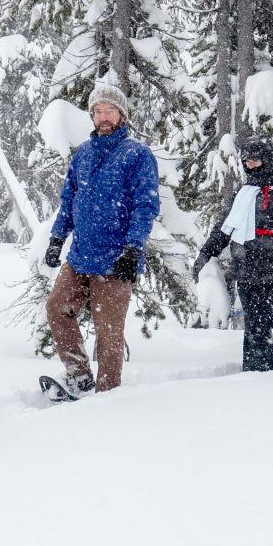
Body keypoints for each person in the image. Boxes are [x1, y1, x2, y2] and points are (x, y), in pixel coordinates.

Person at [42, 83, 160, 398]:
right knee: (56, 308)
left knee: (108, 334)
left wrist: (133, 247)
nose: (103, 116)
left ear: (121, 114)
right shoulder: (83, 154)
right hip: (81, 255)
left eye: (109, 110)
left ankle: (107, 398)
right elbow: (69, 200)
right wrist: (57, 237)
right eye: (98, 111)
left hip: (116, 258)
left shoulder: (137, 155)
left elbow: (145, 206)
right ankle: (80, 378)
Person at [191, 136, 273, 372]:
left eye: (255, 160)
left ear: (267, 160)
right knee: (254, 325)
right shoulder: (243, 192)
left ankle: (262, 374)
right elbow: (224, 228)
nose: (250, 165)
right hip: (245, 269)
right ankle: (259, 372)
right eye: (246, 161)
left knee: (261, 324)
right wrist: (205, 254)